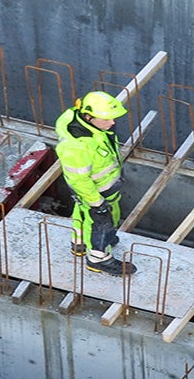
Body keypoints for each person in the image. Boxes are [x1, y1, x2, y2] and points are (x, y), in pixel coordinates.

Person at [55, 90, 136, 276]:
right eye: (106, 119)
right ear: (88, 116)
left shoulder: (92, 127)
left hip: (99, 189)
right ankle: (99, 259)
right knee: (102, 223)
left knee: (83, 214)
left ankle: (80, 244)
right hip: (96, 192)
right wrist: (96, 202)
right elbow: (79, 179)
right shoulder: (77, 147)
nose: (112, 123)